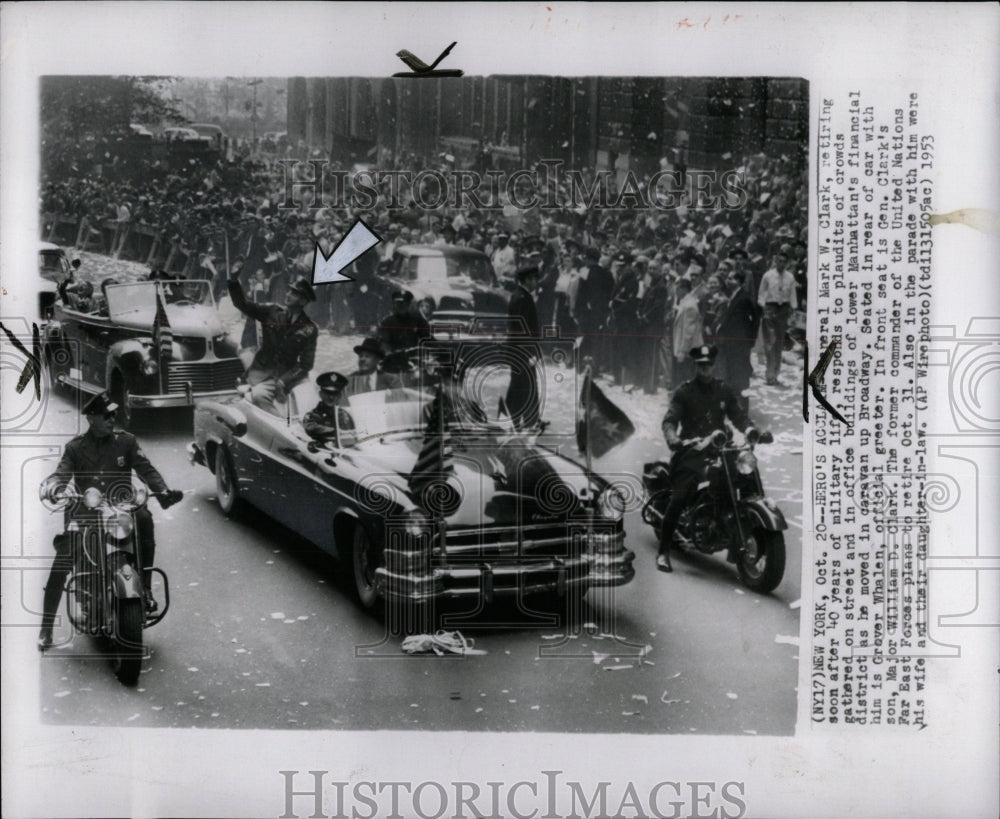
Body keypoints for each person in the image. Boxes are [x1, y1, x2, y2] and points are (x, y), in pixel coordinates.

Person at [37, 392, 183, 650]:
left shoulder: (126, 442)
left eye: (114, 414)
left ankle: (145, 588)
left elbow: (145, 468)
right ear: (92, 418)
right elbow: (61, 474)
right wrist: (55, 488)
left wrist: (163, 492)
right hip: (87, 514)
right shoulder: (75, 447)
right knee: (63, 560)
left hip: (120, 511)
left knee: (144, 518)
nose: (112, 419)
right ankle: (46, 628)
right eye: (107, 415)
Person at [656, 346, 749, 573]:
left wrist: (752, 431)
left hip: (721, 449)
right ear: (695, 366)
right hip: (692, 450)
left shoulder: (722, 389)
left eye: (708, 365)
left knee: (744, 479)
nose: (705, 369)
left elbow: (738, 416)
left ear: (713, 365)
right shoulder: (684, 392)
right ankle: (663, 551)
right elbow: (670, 421)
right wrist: (673, 439)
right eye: (701, 365)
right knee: (680, 496)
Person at [228, 257, 318, 412]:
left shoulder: (309, 328)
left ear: (303, 302)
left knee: (306, 397)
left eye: (294, 294)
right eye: (289, 290)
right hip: (262, 372)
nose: (288, 294)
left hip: (287, 375)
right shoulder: (272, 311)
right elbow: (241, 304)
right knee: (253, 396)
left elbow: (306, 364)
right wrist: (234, 280)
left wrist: (283, 382)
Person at [713, 269, 760, 411]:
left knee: (741, 378)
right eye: (727, 278)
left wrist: (749, 341)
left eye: (731, 278)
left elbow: (755, 319)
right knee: (732, 376)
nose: (728, 281)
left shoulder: (744, 298)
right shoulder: (733, 296)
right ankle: (733, 407)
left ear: (739, 282)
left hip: (739, 346)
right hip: (730, 344)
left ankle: (742, 409)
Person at [505, 265, 543, 430]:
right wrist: (530, 353)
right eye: (534, 278)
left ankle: (528, 419)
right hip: (522, 350)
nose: (536, 282)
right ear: (527, 280)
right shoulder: (522, 298)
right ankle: (523, 421)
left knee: (524, 384)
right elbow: (522, 329)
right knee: (524, 385)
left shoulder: (520, 295)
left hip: (519, 349)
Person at [757, 243, 798, 385]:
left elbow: (792, 295)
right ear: (775, 261)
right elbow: (761, 293)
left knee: (779, 344)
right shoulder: (768, 276)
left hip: (783, 310)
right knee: (770, 342)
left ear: (787, 263)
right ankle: (769, 374)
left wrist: (793, 308)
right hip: (770, 309)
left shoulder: (790, 277)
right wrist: (763, 307)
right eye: (779, 261)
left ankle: (775, 373)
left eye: (784, 262)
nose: (781, 264)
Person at [302, 371, 354, 443]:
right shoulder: (312, 416)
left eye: (335, 394)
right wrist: (336, 432)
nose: (331, 397)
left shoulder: (345, 415)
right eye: (327, 393)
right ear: (320, 394)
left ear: (339, 396)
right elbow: (311, 428)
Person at [377, 289, 431, 355]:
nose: (402, 306)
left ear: (409, 305)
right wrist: (389, 353)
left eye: (405, 303)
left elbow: (427, 338)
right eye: (399, 304)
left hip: (414, 358)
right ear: (394, 304)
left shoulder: (417, 320)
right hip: (394, 359)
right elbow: (383, 343)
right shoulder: (387, 322)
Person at [672, 277, 704, 385]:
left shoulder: (690, 305)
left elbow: (688, 332)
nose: (676, 291)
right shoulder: (685, 301)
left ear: (684, 289)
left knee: (685, 377)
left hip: (687, 348)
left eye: (677, 289)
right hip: (683, 346)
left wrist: (683, 350)